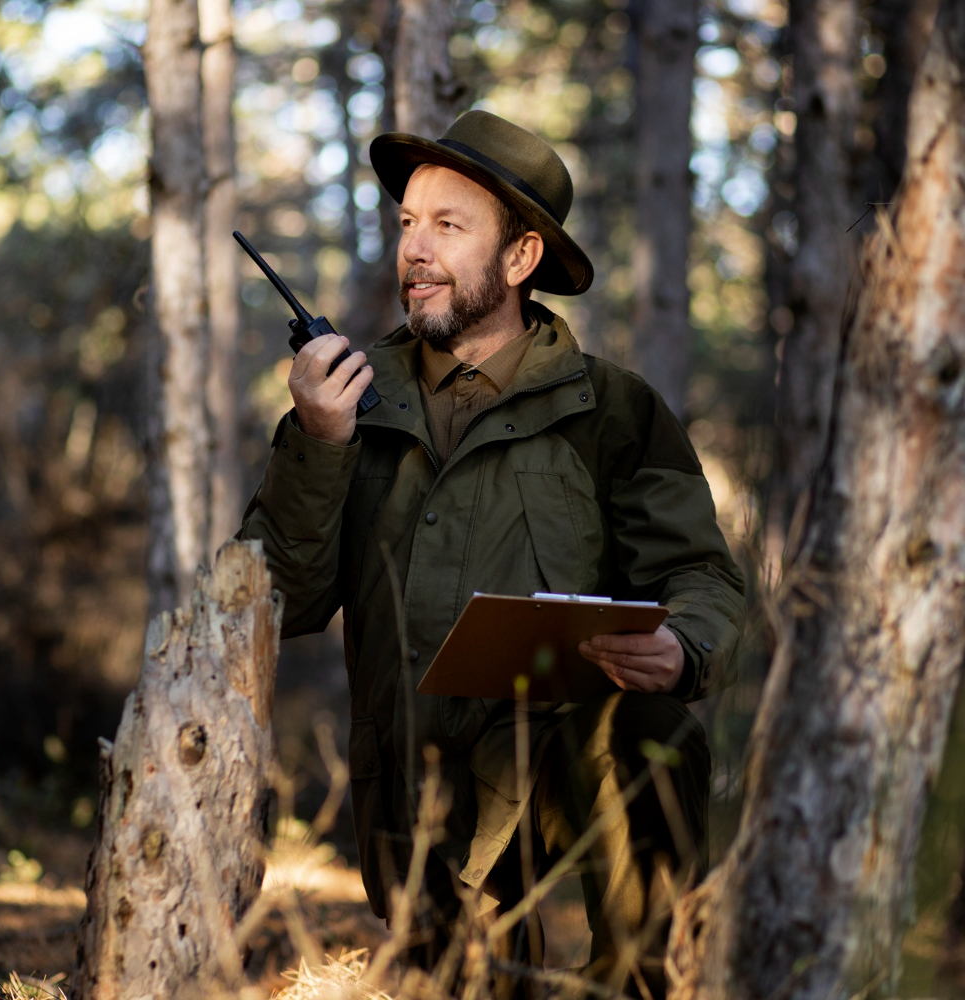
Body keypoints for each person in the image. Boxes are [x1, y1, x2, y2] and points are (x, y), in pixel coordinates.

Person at [238, 110, 745, 997]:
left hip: (560, 766)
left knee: (649, 739)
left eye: (447, 226)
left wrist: (681, 646)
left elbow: (700, 576)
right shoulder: (345, 408)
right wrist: (320, 445)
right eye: (406, 224)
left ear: (520, 260)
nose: (415, 250)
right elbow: (273, 600)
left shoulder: (615, 412)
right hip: (416, 795)